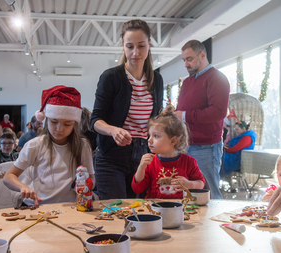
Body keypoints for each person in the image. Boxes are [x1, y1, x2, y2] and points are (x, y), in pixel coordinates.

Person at [90, 19, 163, 200]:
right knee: (116, 211)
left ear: (149, 45)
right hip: (112, 156)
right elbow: (95, 120)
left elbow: (154, 121)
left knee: (139, 212)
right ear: (123, 45)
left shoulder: (157, 80)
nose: (135, 53)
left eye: (141, 46)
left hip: (143, 155)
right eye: (130, 46)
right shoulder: (111, 77)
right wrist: (113, 130)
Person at [3, 86, 95, 207]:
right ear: (46, 120)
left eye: (67, 124)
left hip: (71, 207)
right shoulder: (35, 145)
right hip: (40, 206)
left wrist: (87, 185)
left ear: (74, 124)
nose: (59, 129)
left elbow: (92, 178)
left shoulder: (82, 146)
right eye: (54, 122)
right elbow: (8, 177)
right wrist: (23, 187)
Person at [175, 40, 230, 199]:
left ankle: (216, 223)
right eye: (184, 60)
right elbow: (183, 110)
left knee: (209, 191)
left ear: (202, 55)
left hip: (206, 146)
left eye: (189, 59)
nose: (186, 64)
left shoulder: (216, 78)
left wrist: (184, 115)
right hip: (185, 145)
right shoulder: (187, 82)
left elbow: (218, 112)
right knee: (189, 192)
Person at [132, 105, 205, 199]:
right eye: (149, 135)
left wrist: (189, 184)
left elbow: (201, 183)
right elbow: (137, 189)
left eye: (156, 136)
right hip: (155, 210)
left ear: (173, 141)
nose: (149, 140)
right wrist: (141, 167)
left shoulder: (189, 162)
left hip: (181, 210)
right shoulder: (149, 162)